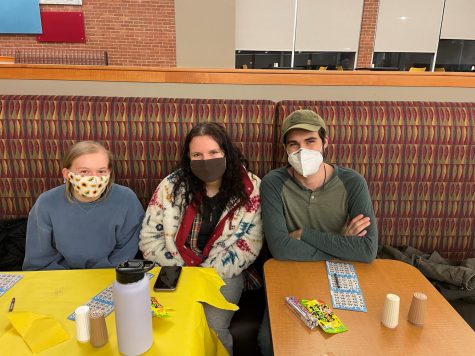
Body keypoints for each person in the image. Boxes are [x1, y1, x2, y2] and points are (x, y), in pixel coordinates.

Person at [258, 109, 378, 355]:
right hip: (292, 273)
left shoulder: (353, 182)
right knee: (270, 342)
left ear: (325, 142)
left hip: (343, 276)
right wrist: (342, 244)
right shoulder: (272, 183)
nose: (302, 150)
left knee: (357, 340)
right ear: (286, 150)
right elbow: (280, 248)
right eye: (294, 144)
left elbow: (366, 251)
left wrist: (304, 234)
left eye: (310, 141)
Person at [139, 122, 263, 355]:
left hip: (223, 271)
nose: (206, 160)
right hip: (173, 267)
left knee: (212, 328)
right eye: (197, 155)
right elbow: (149, 238)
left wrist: (206, 274)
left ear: (226, 152)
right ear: (188, 158)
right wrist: (181, 270)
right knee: (165, 324)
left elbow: (249, 245)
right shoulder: (171, 185)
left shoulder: (251, 188)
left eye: (214, 153)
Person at [23, 141, 144, 270]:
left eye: (101, 171)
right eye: (84, 171)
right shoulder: (46, 203)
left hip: (110, 275)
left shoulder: (126, 199)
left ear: (109, 172)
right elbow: (39, 260)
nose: (94, 178)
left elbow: (126, 254)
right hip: (61, 278)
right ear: (67, 174)